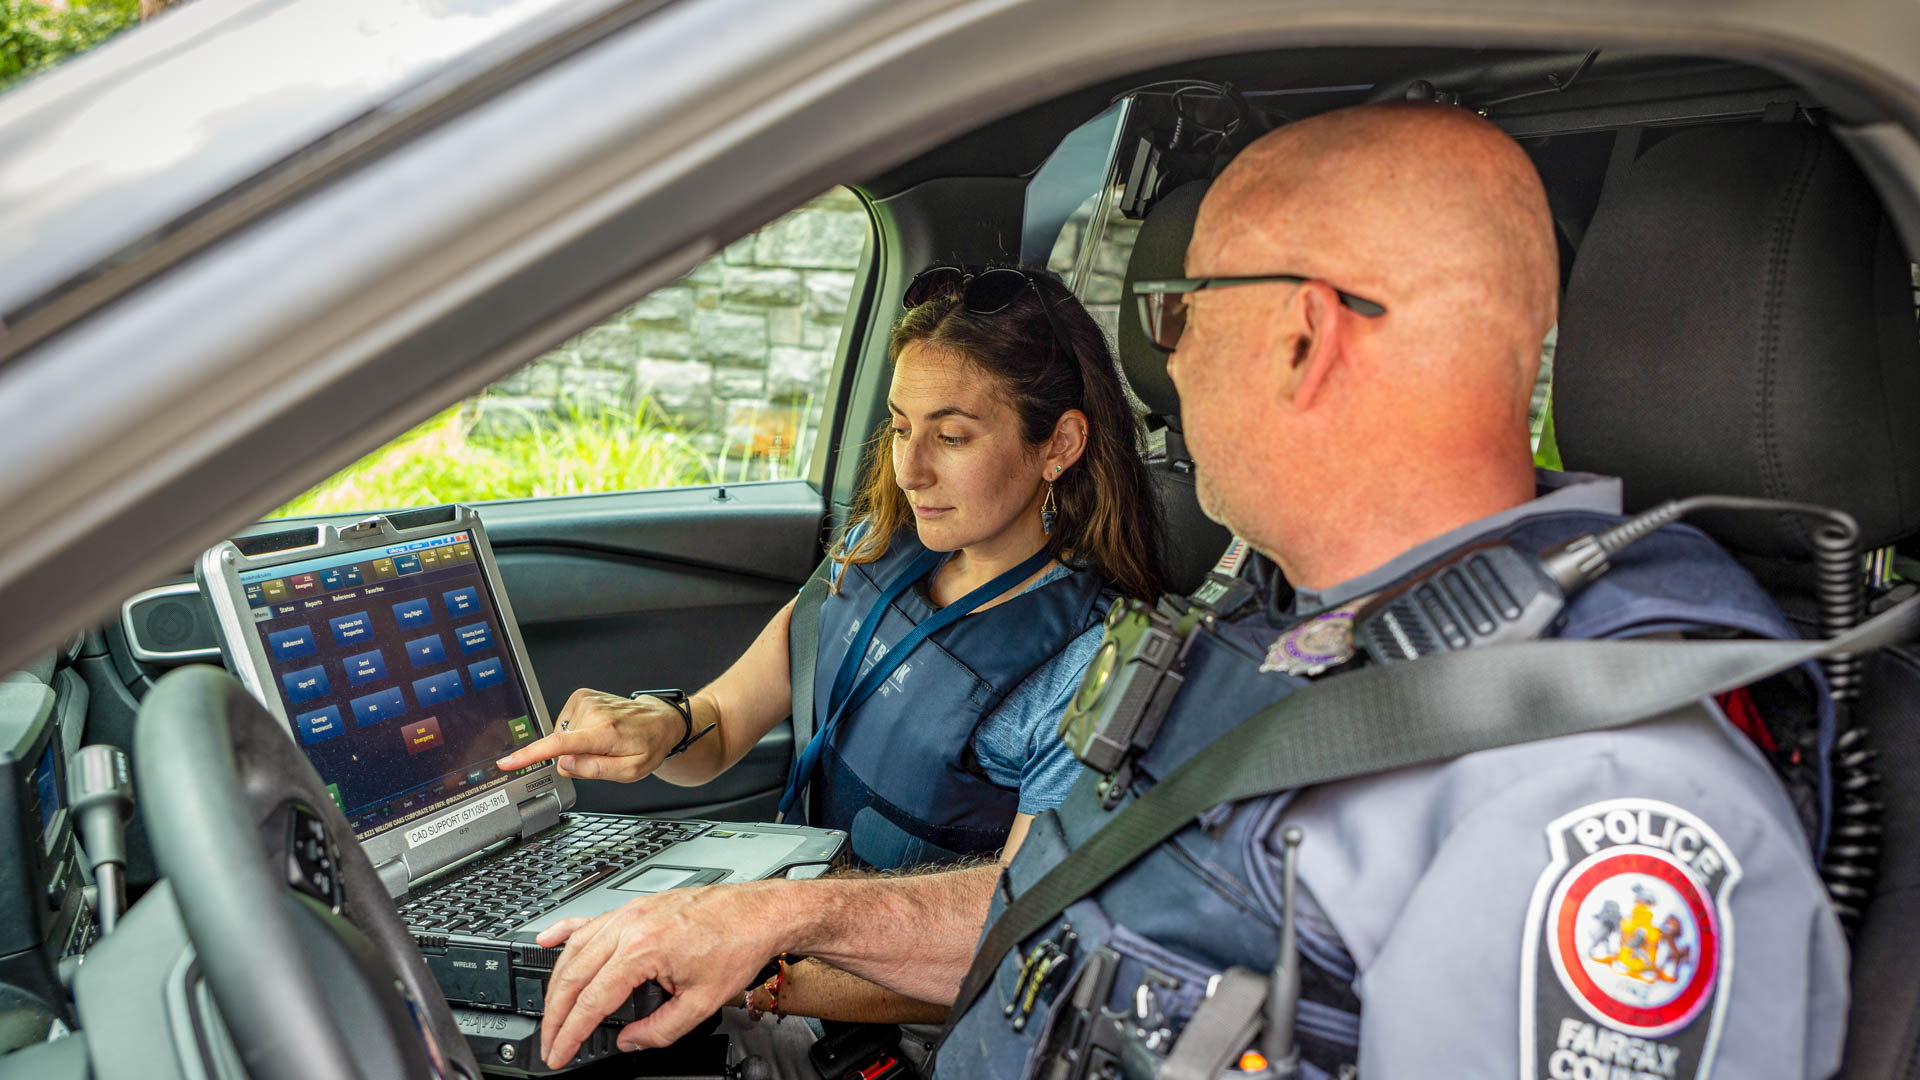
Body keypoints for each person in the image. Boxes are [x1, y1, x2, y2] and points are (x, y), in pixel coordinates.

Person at [530, 104, 1847, 1079]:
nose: (1162, 367)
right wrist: (781, 913)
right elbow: (1065, 916)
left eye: (1178, 313)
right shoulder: (1272, 622)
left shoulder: (1597, 787)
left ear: (1300, 334)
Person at [496, 265, 1168, 1028]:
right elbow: (720, 722)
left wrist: (751, 975)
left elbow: (1020, 935)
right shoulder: (875, 546)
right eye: (901, 427)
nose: (910, 470)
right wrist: (656, 727)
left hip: (892, 1026)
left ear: (1060, 444)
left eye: (952, 436)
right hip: (776, 960)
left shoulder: (1093, 664)